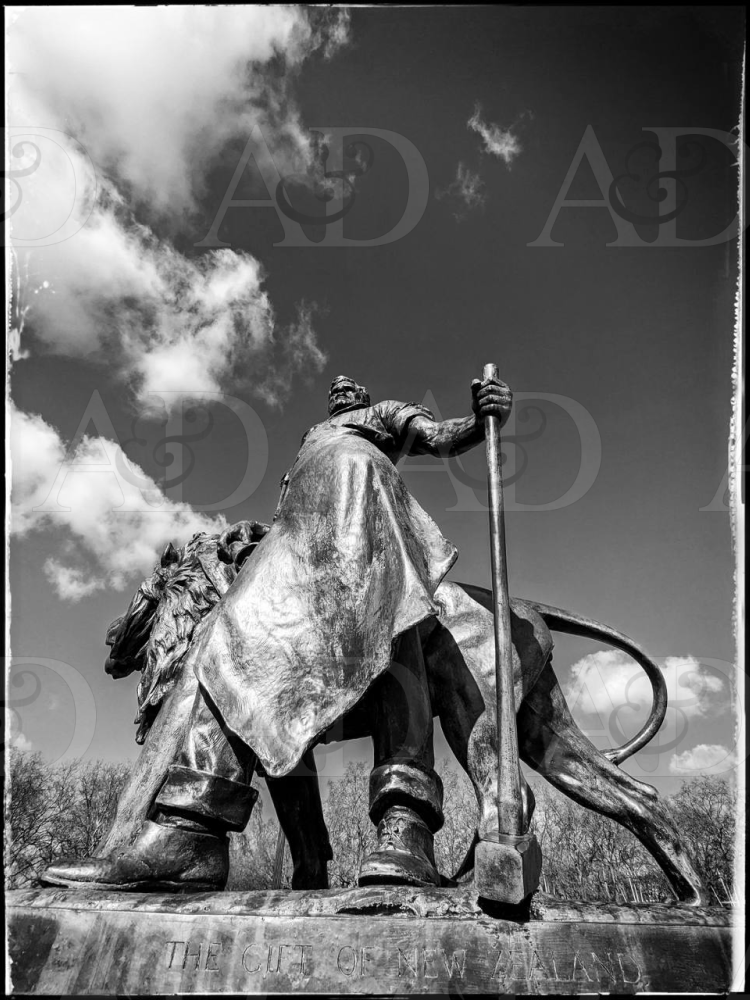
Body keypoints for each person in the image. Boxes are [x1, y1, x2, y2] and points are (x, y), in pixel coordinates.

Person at [42, 373, 511, 891]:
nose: (340, 390)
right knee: (227, 641)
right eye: (336, 390)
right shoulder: (312, 438)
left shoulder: (376, 420)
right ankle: (191, 832)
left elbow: (438, 438)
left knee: (395, 624)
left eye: (350, 389)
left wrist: (477, 420)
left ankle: (406, 822)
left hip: (363, 508)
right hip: (293, 542)